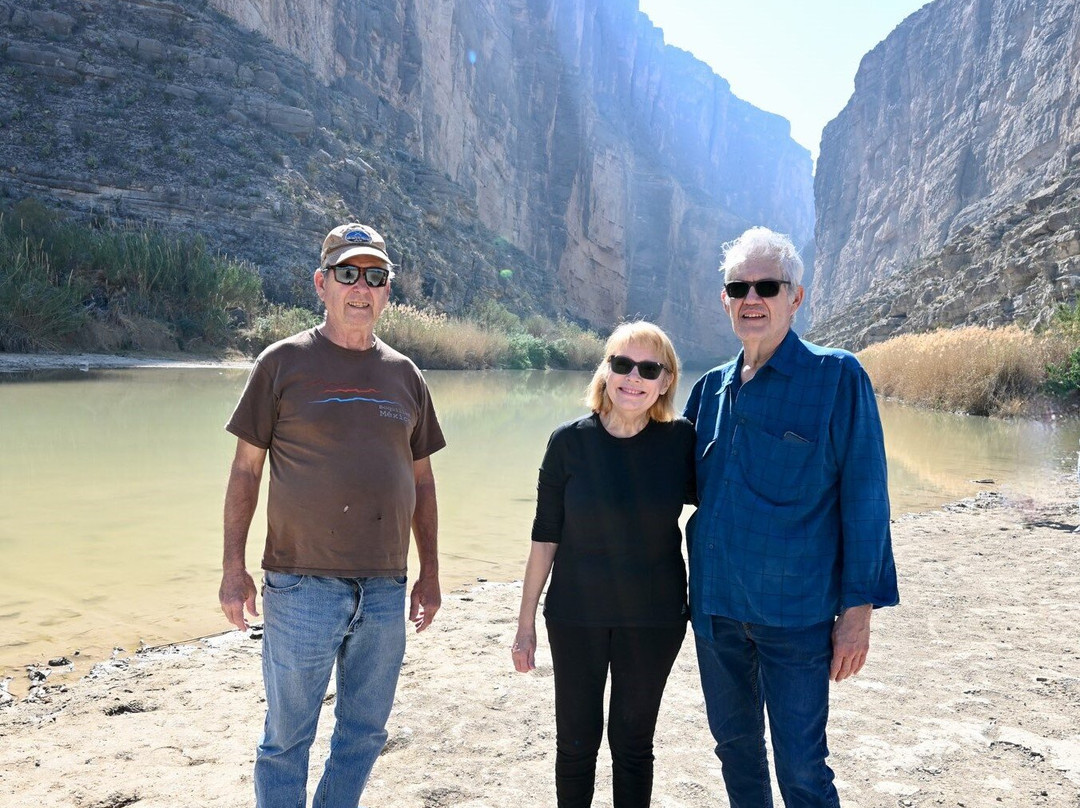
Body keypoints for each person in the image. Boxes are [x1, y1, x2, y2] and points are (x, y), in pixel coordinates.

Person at [218, 222, 446, 808]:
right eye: (348, 273)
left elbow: (422, 480)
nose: (361, 287)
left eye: (375, 276)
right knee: (286, 739)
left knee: (364, 733)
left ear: (387, 291)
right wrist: (232, 569)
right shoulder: (281, 364)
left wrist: (430, 572)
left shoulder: (406, 375)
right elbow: (245, 471)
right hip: (301, 585)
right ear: (322, 284)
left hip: (386, 587)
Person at [683, 226, 899, 808]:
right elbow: (665, 486)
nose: (752, 298)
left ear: (795, 297)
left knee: (802, 768)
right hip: (716, 610)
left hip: (796, 615)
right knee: (735, 753)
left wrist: (858, 611)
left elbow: (866, 500)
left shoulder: (837, 378)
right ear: (725, 299)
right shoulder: (709, 391)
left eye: (767, 286)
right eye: (739, 287)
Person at [512, 321, 696, 808]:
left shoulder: (681, 442)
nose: (633, 378)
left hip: (654, 619)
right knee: (575, 744)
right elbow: (544, 536)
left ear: (666, 381)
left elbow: (722, 512)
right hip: (576, 615)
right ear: (606, 370)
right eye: (622, 364)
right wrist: (525, 623)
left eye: (649, 369)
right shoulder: (568, 443)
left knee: (633, 746)